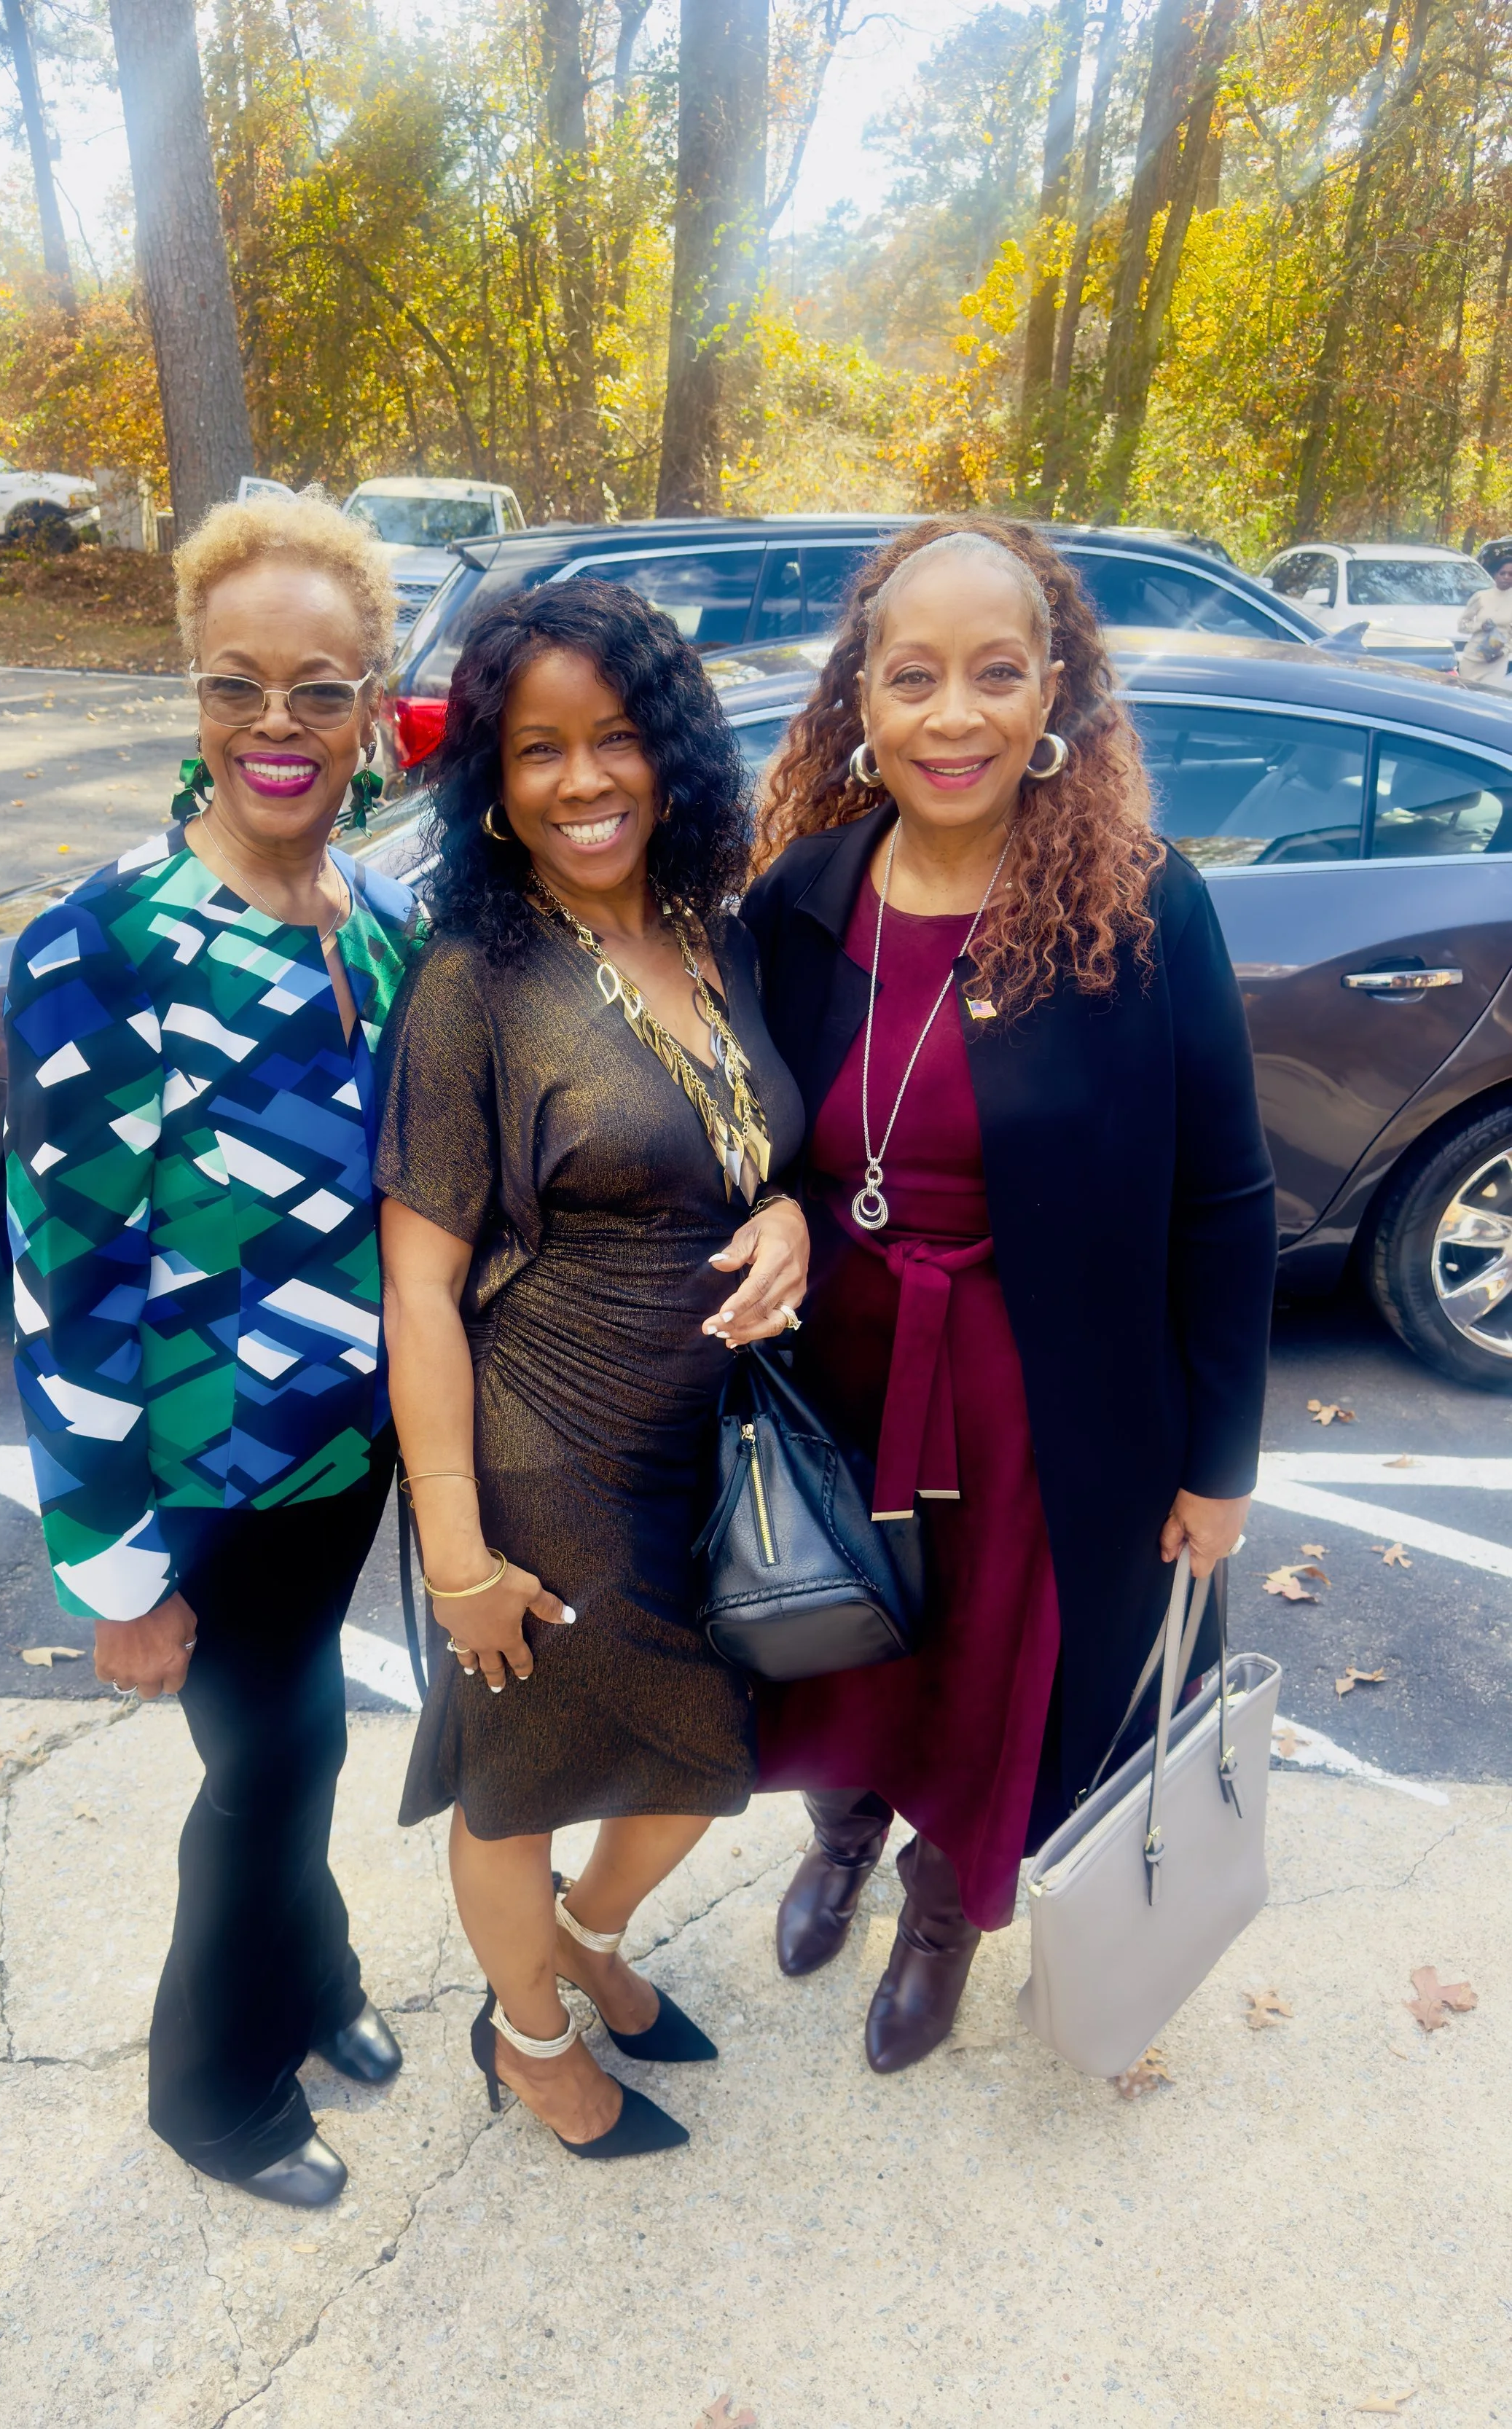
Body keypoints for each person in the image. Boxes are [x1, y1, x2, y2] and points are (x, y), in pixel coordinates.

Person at [742, 519, 1275, 2070]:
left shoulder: (1141, 911)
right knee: (838, 1627)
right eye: (912, 676)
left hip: (1047, 1404)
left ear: (1054, 690)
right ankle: (840, 1825)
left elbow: (1225, 1201)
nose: (952, 715)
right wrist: (774, 1214)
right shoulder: (801, 895)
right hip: (841, 1371)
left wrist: (1220, 1462)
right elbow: (747, 1131)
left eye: (994, 672)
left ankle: (939, 1903)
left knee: (992, 1665)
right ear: (861, 697)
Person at [5, 493, 427, 2210]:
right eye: (235, 685)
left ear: (369, 702)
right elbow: (68, 1266)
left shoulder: (374, 914)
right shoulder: (109, 943)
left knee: (301, 1738)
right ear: (191, 689)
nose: (275, 725)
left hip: (350, 1452)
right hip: (197, 1467)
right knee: (266, 1768)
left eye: (317, 690)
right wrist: (108, 1566)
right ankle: (213, 2087)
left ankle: (315, 1981)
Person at [375, 579, 810, 2158]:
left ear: (667, 751)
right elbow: (417, 1289)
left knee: (706, 1748)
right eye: (535, 749)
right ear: (490, 780)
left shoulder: (709, 932)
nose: (580, 781)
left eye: (613, 738)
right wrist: (452, 1549)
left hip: (707, 1445)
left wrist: (793, 1221)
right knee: (519, 1778)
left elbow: (750, 1151)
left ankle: (590, 1938)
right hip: (540, 1449)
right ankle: (528, 2034)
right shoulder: (469, 987)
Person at [1456, 560, 1512, 689]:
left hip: (1497, 660)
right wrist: (1480, 626)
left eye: (1511, 574)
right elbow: (1462, 626)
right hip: (1473, 658)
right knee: (1467, 694)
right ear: (1495, 575)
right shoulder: (1481, 596)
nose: (1506, 577)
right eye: (1503, 573)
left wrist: (1504, 652)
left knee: (1488, 695)